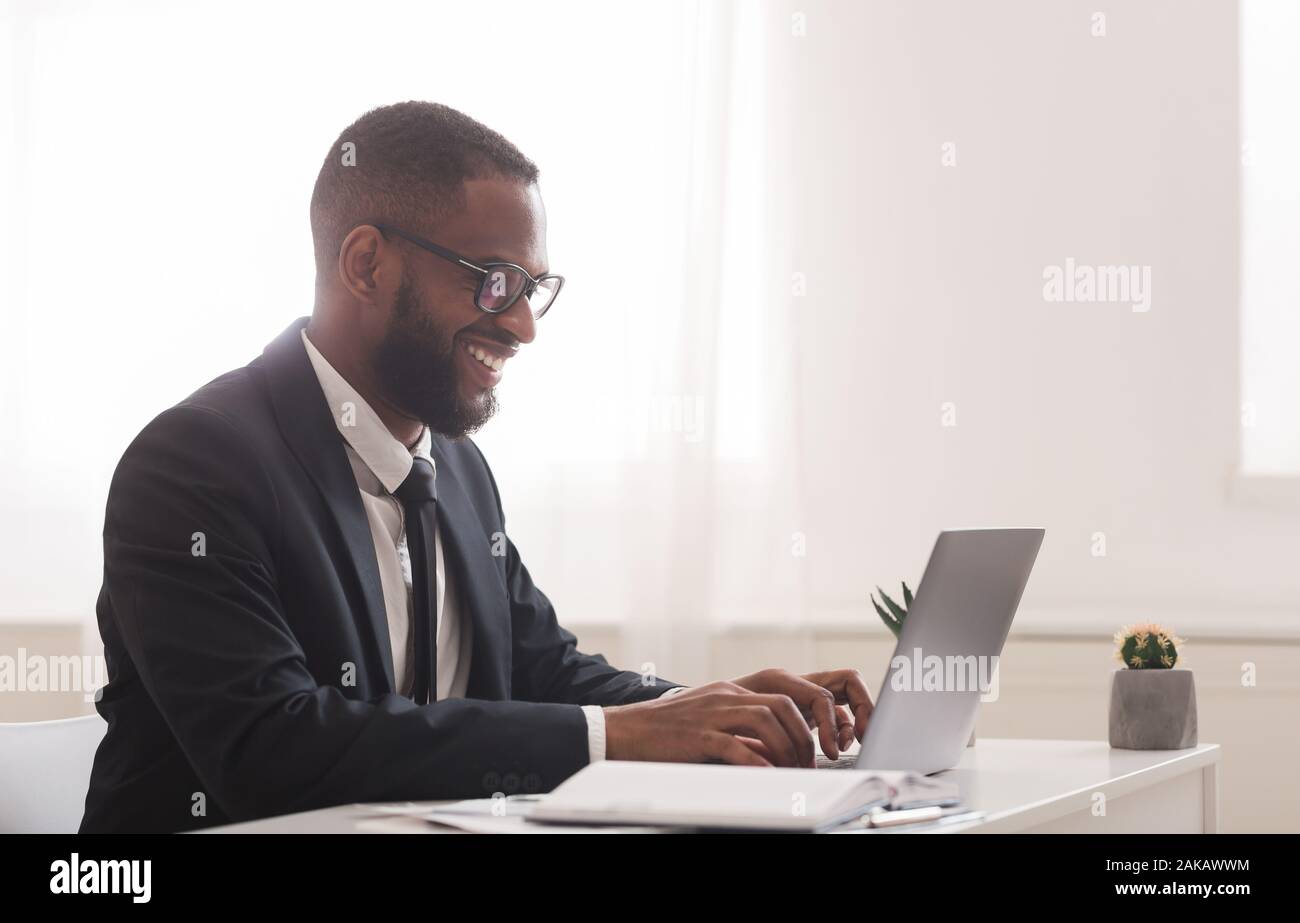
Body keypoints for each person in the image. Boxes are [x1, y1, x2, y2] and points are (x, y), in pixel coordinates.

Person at [80, 101, 873, 833]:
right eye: (495, 281)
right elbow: (272, 748)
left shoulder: (458, 471)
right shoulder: (195, 465)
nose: (524, 325)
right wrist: (626, 733)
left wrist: (719, 708)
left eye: (534, 288)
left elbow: (542, 672)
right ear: (366, 265)